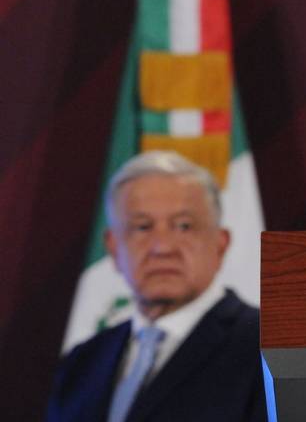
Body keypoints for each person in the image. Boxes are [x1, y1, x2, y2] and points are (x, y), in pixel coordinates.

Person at [46, 151, 267, 422]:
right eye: (142, 227)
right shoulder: (80, 363)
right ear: (114, 248)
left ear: (220, 244)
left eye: (184, 226)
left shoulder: (268, 348)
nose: (162, 247)